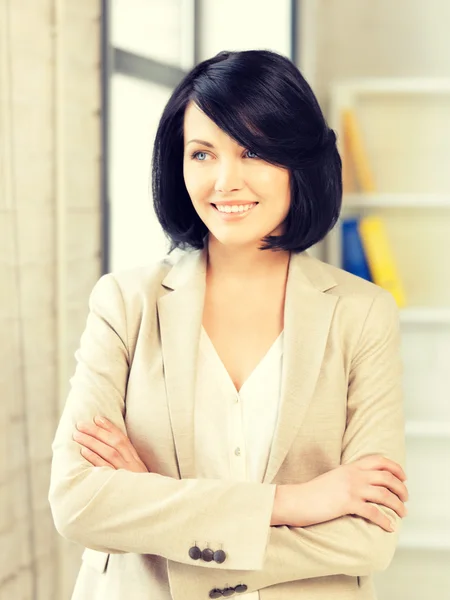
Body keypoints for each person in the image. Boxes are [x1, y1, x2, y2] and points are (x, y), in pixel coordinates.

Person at [48, 49, 408, 600]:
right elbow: (77, 501)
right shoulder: (124, 303)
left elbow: (368, 537)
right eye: (202, 153)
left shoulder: (361, 314)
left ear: (299, 162)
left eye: (253, 151)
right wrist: (294, 503)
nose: (225, 181)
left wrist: (153, 505)